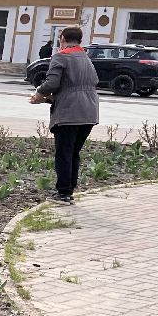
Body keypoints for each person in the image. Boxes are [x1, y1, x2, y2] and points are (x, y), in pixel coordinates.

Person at [28, 25, 99, 205]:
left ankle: (63, 193)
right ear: (80, 40)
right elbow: (79, 87)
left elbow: (52, 83)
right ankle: (69, 190)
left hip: (69, 114)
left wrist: (39, 93)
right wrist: (46, 100)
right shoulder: (86, 58)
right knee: (73, 152)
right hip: (89, 112)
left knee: (64, 153)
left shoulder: (61, 56)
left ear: (62, 39)